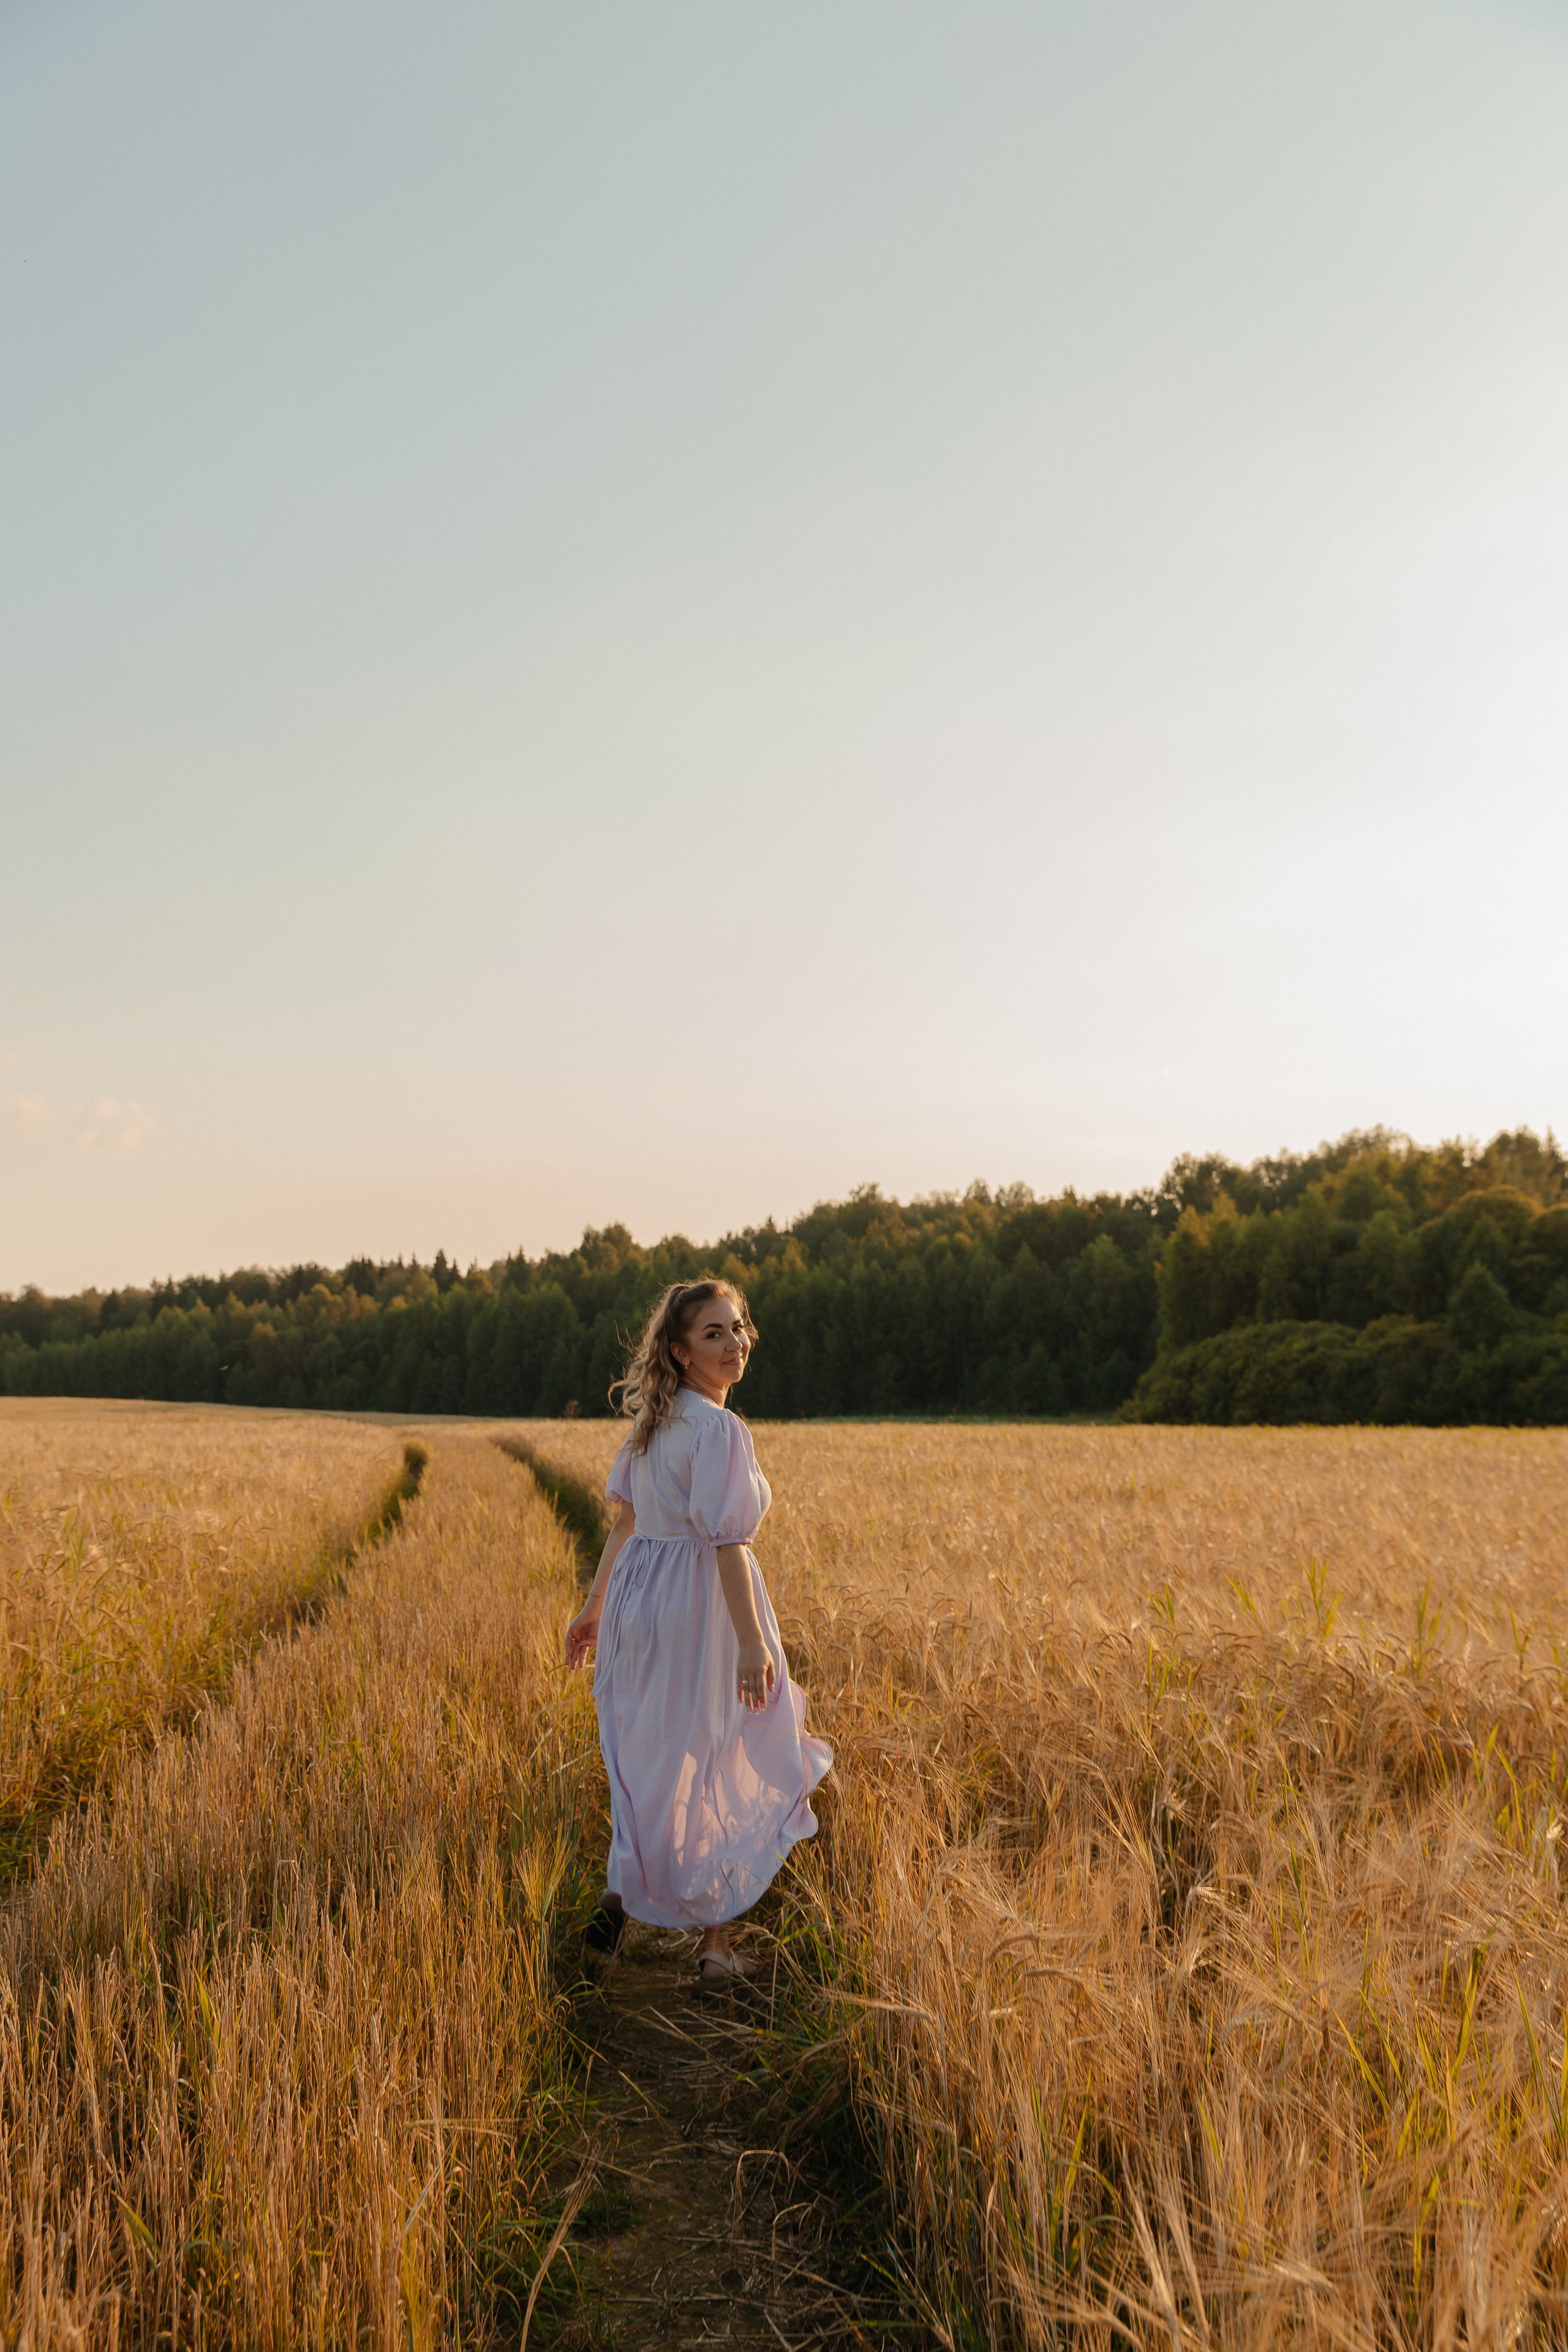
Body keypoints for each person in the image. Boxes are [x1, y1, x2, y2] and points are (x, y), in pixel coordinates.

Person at [564, 1278, 832, 1988]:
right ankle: (716, 1946)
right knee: (723, 1753)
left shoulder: (653, 1423)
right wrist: (750, 1641)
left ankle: (619, 1898)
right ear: (681, 1352)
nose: (734, 1342)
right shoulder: (717, 1429)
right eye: (714, 1333)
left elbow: (627, 1523)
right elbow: (727, 1542)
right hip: (700, 1604)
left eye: (738, 1327)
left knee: (647, 1754)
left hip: (639, 1601)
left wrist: (595, 1608)